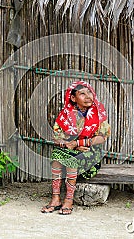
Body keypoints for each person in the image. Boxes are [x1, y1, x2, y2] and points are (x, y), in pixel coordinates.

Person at [41, 81, 111, 215]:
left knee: (71, 158)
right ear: (73, 98)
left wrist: (78, 144)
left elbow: (102, 137)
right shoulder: (65, 115)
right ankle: (55, 199)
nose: (88, 96)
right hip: (68, 148)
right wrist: (69, 145)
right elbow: (56, 137)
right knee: (57, 155)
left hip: (91, 152)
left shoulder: (99, 113)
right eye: (82, 94)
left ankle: (68, 200)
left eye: (89, 92)